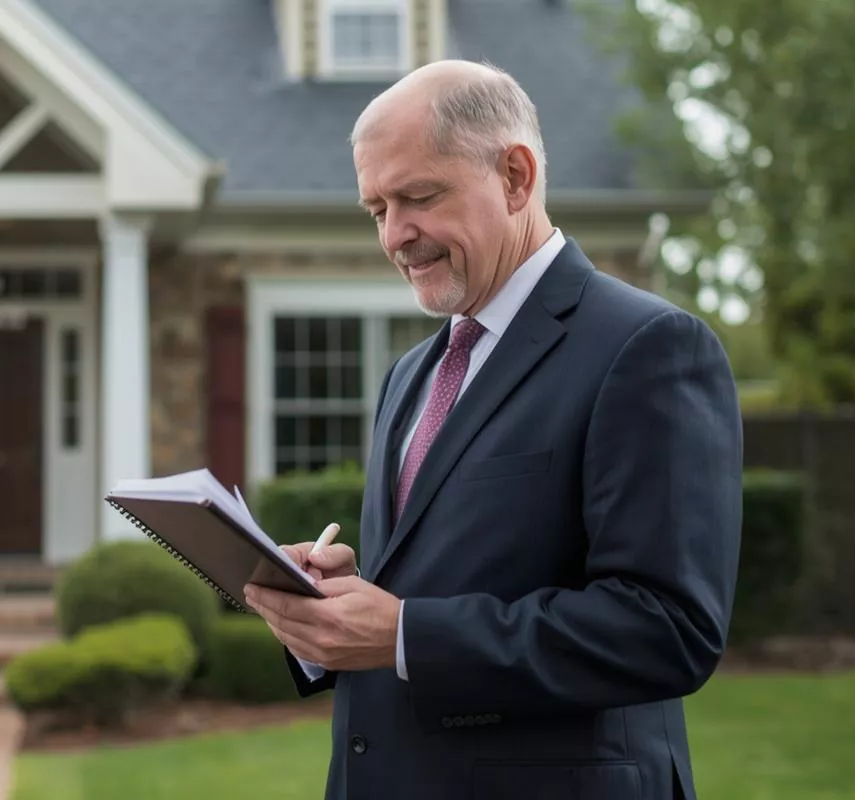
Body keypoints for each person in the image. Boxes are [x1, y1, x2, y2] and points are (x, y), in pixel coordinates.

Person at [242, 60, 742, 800]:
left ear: (515, 176)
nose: (396, 236)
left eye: (418, 196)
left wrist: (406, 633)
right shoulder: (411, 374)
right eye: (377, 209)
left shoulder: (647, 348)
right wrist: (336, 611)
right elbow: (430, 584)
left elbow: (666, 629)